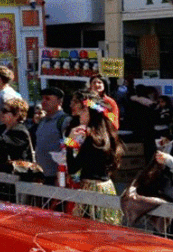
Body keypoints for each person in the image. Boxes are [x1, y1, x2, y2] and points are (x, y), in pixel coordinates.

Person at [65, 97, 124, 225]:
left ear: (92, 115)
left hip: (91, 190)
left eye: (85, 110)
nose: (81, 113)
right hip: (107, 187)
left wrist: (69, 143)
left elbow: (73, 168)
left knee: (89, 227)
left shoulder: (90, 140)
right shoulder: (108, 137)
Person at [33, 87, 70, 185]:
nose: (43, 102)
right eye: (43, 98)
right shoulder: (42, 121)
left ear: (59, 101)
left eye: (48, 99)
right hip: (42, 177)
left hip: (58, 178)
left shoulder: (65, 121)